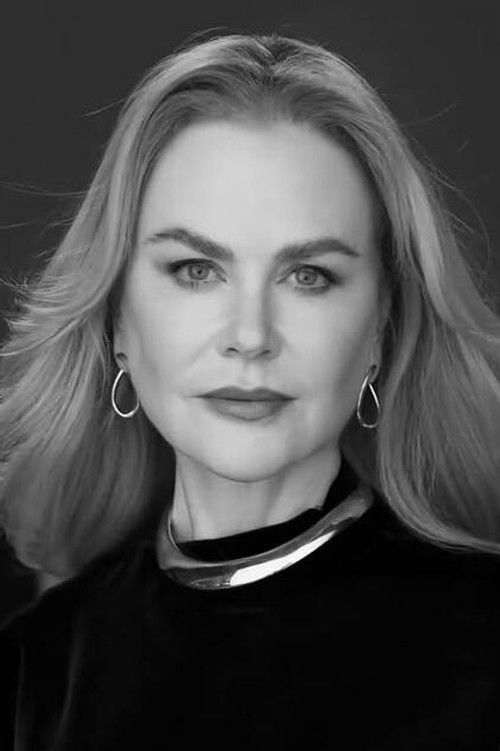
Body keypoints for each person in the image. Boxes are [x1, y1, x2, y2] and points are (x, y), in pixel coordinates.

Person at [1, 30, 500, 750]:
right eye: (196, 270)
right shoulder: (36, 670)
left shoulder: (483, 650)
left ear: (380, 330)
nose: (250, 335)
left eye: (308, 276)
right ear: (116, 317)